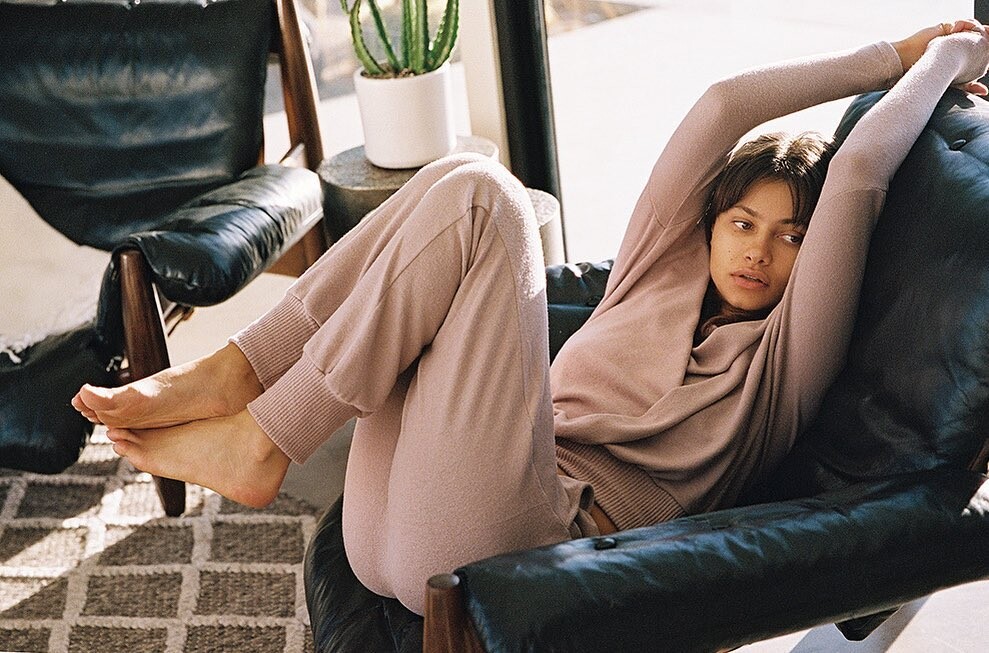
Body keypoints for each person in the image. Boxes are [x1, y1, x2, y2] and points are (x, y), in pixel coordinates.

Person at [72, 19, 989, 615]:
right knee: (454, 182)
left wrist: (947, 55)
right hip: (394, 521)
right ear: (707, 227)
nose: (759, 250)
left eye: (791, 237)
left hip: (517, 543)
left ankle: (262, 424)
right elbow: (721, 107)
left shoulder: (784, 363)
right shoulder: (647, 275)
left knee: (482, 197)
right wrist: (884, 52)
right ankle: (243, 377)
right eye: (742, 223)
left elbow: (858, 173)